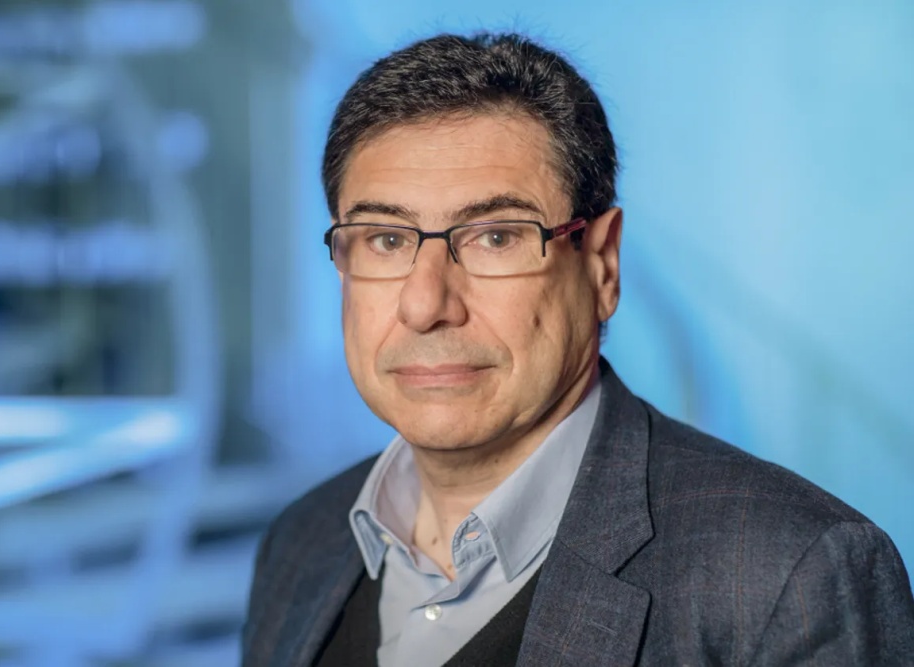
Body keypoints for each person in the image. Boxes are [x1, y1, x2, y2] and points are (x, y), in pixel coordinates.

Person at [240, 32, 914, 666]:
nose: (426, 304)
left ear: (602, 265)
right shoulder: (301, 543)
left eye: (496, 236)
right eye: (386, 240)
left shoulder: (787, 574)